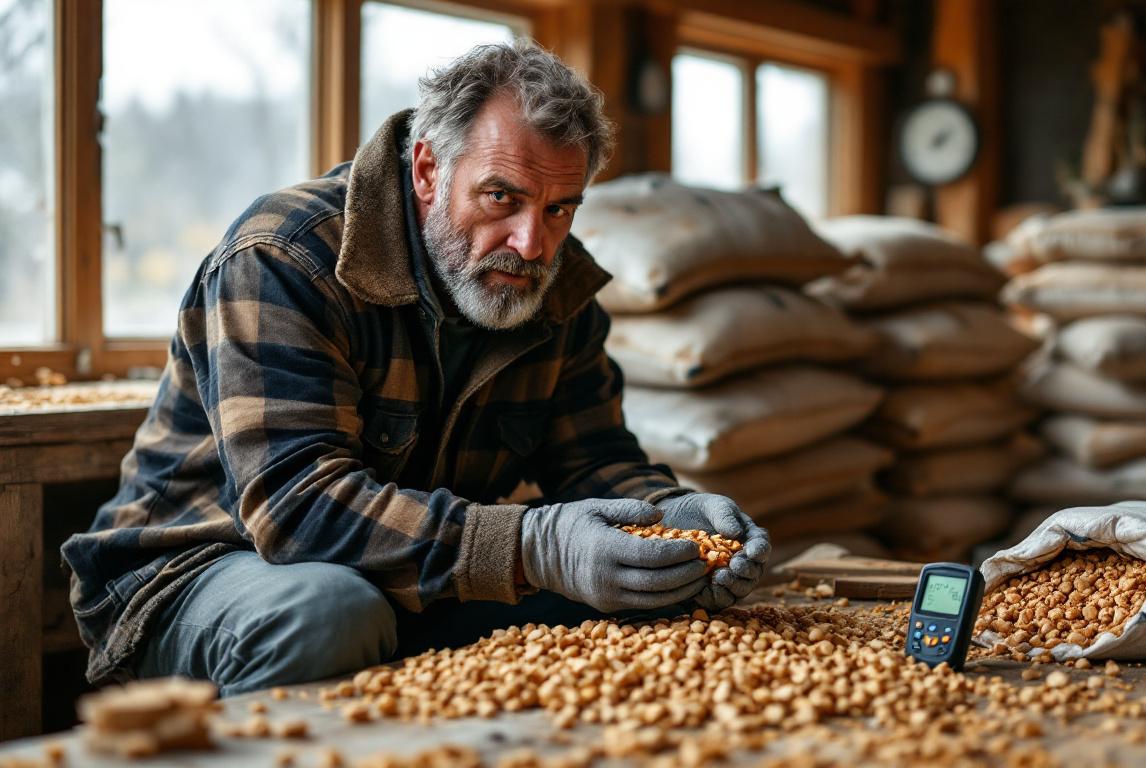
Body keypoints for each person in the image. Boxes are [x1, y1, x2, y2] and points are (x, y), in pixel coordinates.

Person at [61, 40, 770, 696]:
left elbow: (595, 459)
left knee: (646, 592)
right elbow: (297, 509)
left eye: (560, 208)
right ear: (429, 170)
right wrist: (534, 544)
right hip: (201, 572)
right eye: (502, 198)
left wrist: (671, 522)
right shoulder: (284, 257)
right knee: (327, 612)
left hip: (414, 574)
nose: (530, 243)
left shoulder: (556, 285)